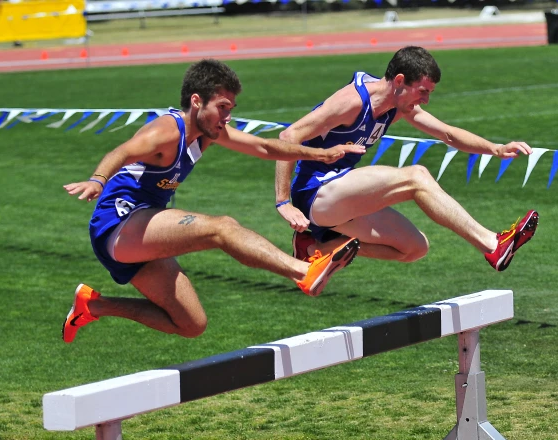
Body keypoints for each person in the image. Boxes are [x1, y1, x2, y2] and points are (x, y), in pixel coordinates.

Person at [62, 58, 363, 344]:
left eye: (231, 108)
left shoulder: (209, 132)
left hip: (145, 228)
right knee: (222, 228)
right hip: (118, 223)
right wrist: (97, 180)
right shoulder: (166, 131)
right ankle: (303, 272)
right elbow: (122, 152)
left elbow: (265, 147)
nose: (227, 116)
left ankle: (93, 306)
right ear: (196, 101)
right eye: (222, 107)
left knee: (191, 324)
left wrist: (320, 154)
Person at [275, 45, 538, 272]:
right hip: (314, 193)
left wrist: (496, 149)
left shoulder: (397, 106)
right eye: (422, 91)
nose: (425, 100)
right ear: (399, 80)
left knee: (414, 248)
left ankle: (315, 246)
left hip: (338, 199)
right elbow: (289, 136)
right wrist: (283, 202)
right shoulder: (353, 101)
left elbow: (447, 133)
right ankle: (493, 245)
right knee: (417, 176)